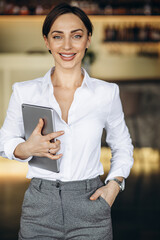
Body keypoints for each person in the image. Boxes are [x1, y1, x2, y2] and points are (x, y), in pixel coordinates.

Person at [0, 3, 134, 240]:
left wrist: (114, 185)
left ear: (88, 40)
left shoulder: (106, 93)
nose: (67, 45)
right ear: (47, 41)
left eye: (77, 35)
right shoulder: (24, 91)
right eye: (57, 36)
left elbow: (122, 146)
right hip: (39, 206)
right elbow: (4, 142)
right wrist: (26, 148)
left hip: (91, 205)